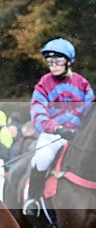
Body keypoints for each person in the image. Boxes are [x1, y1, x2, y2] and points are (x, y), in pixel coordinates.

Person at [23, 38, 94, 216]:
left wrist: (82, 131)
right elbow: (38, 112)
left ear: (69, 62)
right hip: (53, 135)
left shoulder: (82, 83)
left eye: (58, 61)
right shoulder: (44, 83)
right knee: (42, 157)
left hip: (77, 135)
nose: (53, 65)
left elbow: (89, 111)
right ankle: (32, 199)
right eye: (50, 62)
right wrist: (56, 128)